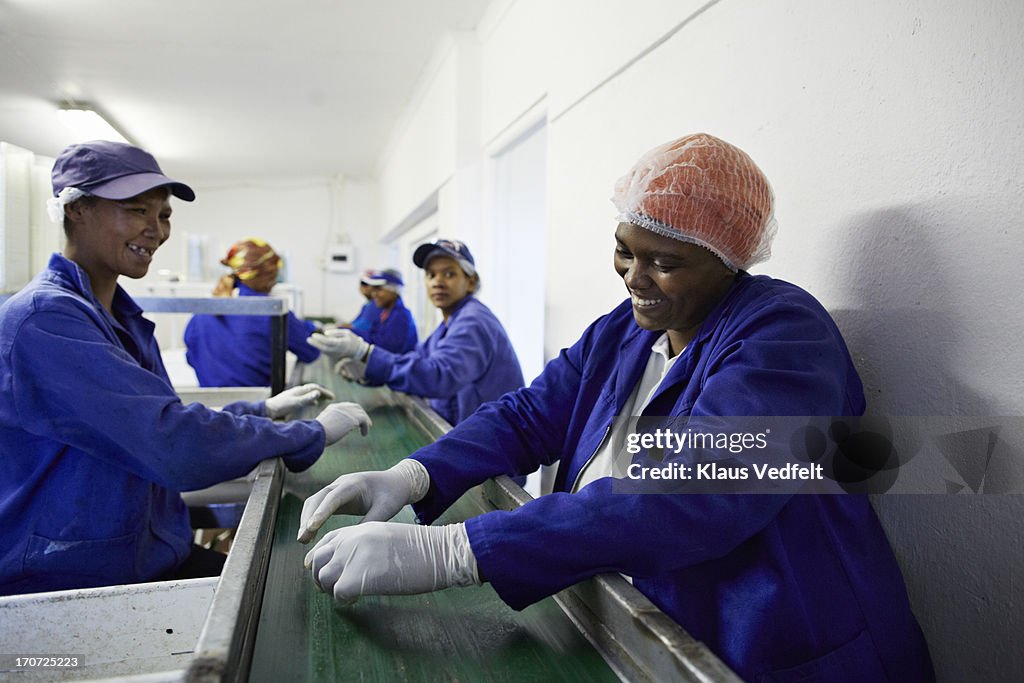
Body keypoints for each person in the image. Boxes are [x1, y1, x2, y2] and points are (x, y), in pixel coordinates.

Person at [296, 134, 935, 681]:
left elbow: (694, 492)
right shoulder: (627, 330)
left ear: (728, 260)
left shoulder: (786, 337)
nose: (633, 276)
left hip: (777, 642)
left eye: (665, 262)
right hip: (652, 616)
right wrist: (415, 474)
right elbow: (529, 414)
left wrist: (461, 550)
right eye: (626, 250)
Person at [0, 140, 371, 596]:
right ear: (77, 209)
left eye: (164, 215)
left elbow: (152, 415)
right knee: (290, 598)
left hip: (139, 547)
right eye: (137, 210)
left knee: (290, 589)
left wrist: (261, 411)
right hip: (67, 574)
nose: (155, 230)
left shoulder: (119, 314)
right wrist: (308, 434)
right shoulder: (47, 319)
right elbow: (169, 442)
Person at [308, 240, 525, 427]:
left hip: (489, 454)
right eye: (431, 275)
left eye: (449, 274)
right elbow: (419, 358)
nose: (437, 282)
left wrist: (366, 353)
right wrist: (369, 370)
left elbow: (437, 377)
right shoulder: (451, 322)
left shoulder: (473, 321)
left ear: (471, 281)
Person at [184, 237, 323, 387]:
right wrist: (312, 329)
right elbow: (311, 351)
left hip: (209, 408)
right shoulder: (272, 311)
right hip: (260, 407)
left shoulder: (203, 312)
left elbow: (191, 356)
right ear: (269, 274)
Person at [349, 268, 417, 354]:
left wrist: (350, 332)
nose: (374, 294)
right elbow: (372, 334)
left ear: (394, 291)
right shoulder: (386, 313)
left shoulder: (401, 316)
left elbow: (385, 346)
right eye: (374, 290)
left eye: (379, 289)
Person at [341, 271, 381, 336]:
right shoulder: (366, 306)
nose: (363, 287)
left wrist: (341, 328)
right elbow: (353, 323)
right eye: (362, 283)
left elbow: (360, 327)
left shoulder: (377, 305)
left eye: (366, 284)